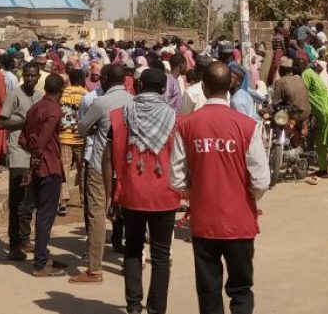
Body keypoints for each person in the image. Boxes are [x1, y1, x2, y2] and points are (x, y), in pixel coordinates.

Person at [171, 61, 269, 314]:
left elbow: (177, 177)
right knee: (241, 289)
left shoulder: (186, 124)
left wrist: (195, 189)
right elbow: (260, 179)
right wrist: (247, 196)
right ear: (230, 87)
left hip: (204, 221)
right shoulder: (247, 126)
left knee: (208, 289)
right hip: (240, 221)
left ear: (203, 87)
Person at [112, 68, 179, 314]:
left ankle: (133, 307)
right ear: (163, 89)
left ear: (138, 86)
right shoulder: (174, 118)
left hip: (132, 190)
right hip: (165, 192)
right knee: (161, 255)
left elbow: (116, 157)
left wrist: (115, 193)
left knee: (133, 248)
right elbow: (180, 159)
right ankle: (156, 309)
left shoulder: (122, 115)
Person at [74, 64, 133, 283]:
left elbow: (81, 129)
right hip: (125, 166)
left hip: (99, 164)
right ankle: (130, 263)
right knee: (128, 214)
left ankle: (94, 268)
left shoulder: (100, 103)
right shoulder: (132, 101)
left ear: (105, 78)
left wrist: (97, 129)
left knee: (97, 214)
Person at [20, 74, 66, 277]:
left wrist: (33, 157)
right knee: (46, 215)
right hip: (48, 165)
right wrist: (38, 154)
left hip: (37, 164)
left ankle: (43, 254)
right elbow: (43, 140)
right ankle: (40, 262)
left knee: (42, 213)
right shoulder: (54, 110)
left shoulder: (34, 108)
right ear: (61, 90)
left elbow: (23, 139)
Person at [0, 62, 43, 261]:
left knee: (29, 200)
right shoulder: (14, 95)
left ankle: (25, 238)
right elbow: (2, 122)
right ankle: (14, 244)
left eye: (33, 76)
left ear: (38, 76)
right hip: (17, 152)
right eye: (27, 76)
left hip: (31, 152)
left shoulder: (38, 97)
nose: (30, 79)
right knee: (17, 200)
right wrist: (24, 123)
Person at [57, 69, 87, 217]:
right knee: (83, 170)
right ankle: (84, 200)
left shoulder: (62, 94)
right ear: (82, 79)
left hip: (64, 137)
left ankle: (62, 202)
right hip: (81, 138)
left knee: (64, 170)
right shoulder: (86, 94)